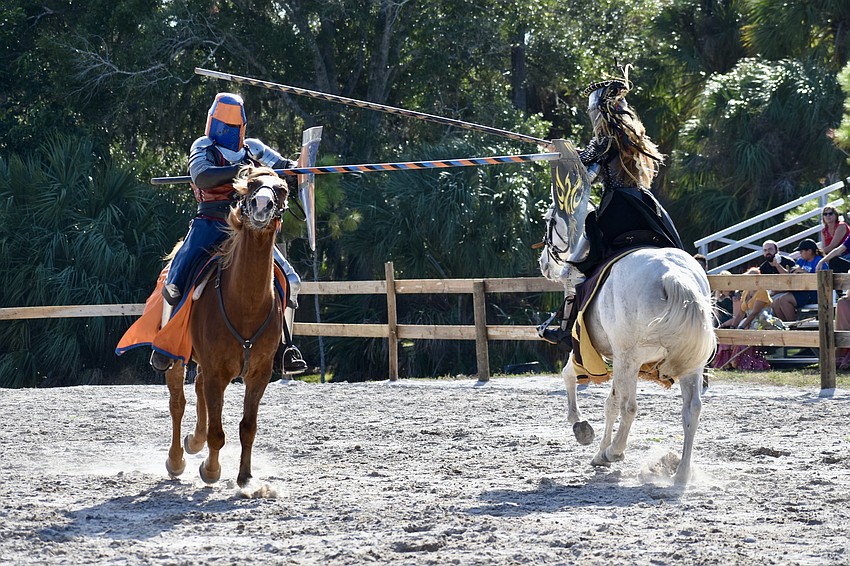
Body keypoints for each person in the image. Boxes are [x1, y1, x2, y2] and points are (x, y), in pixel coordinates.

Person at [150, 92, 307, 375]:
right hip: (210, 222)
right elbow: (202, 176)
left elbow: (286, 169)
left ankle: (284, 348)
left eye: (232, 124)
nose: (228, 129)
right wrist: (242, 170)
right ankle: (166, 344)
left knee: (291, 280)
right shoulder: (203, 145)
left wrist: (303, 170)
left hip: (248, 225)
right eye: (225, 122)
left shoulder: (254, 147)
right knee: (176, 279)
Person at [540, 66, 683, 350]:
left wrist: (562, 158)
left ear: (600, 112)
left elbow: (586, 177)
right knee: (679, 254)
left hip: (616, 210)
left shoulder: (603, 142)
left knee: (571, 271)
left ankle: (566, 329)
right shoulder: (633, 139)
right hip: (646, 207)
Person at [771, 239, 823, 322]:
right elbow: (790, 276)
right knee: (776, 302)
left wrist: (803, 272)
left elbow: (821, 280)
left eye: (801, 251)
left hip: (813, 293)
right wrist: (778, 266)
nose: (800, 253)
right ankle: (785, 327)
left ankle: (793, 326)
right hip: (800, 291)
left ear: (809, 251)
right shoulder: (800, 261)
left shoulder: (820, 262)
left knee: (784, 300)